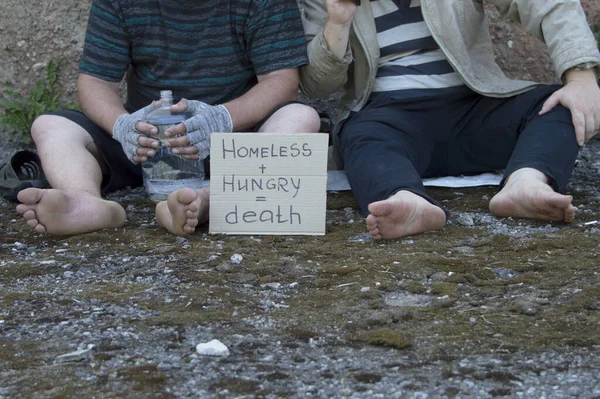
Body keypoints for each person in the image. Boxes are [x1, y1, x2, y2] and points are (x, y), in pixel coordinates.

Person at [299, 0, 600, 239]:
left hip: (474, 106)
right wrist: (337, 22)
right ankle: (406, 200)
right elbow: (316, 85)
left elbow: (545, 4)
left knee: (558, 103)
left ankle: (526, 183)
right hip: (388, 117)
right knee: (359, 136)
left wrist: (580, 74)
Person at [16, 0, 321, 236]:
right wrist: (123, 126)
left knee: (300, 117)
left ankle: (209, 199)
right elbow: (95, 82)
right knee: (51, 125)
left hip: (235, 146)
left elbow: (281, 80)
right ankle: (86, 202)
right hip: (145, 146)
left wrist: (222, 118)